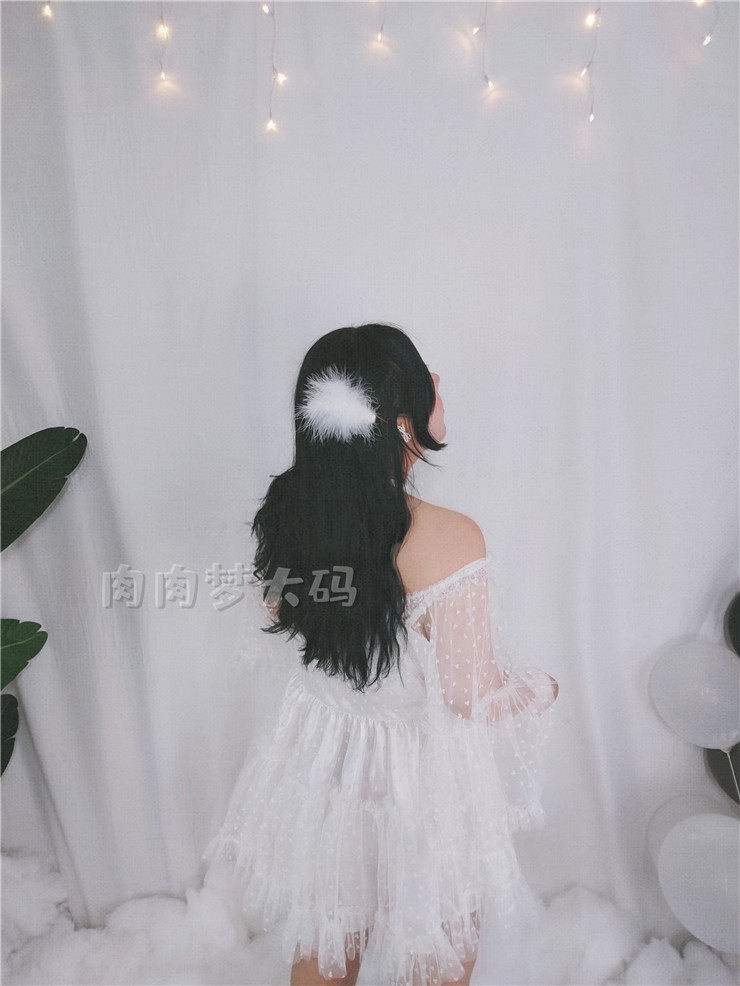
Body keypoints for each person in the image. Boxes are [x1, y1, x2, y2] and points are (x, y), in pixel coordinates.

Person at [199, 322, 559, 986]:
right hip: (420, 778)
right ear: (400, 422)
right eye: (426, 377)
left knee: (328, 938)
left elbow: (278, 611)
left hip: (328, 761)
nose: (439, 381)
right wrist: (540, 688)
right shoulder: (448, 538)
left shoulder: (288, 512)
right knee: (439, 947)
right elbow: (469, 696)